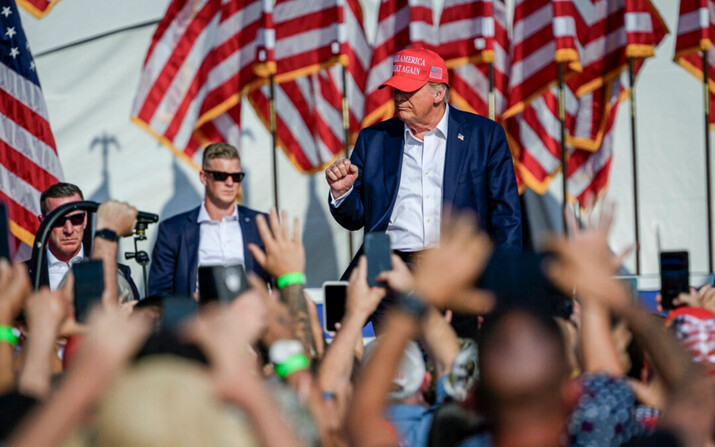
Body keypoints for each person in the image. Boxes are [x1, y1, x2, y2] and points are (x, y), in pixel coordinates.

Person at [325, 47, 521, 272]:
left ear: (438, 94)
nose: (399, 97)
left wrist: (508, 276)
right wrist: (342, 193)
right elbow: (355, 218)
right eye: (396, 89)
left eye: (408, 90)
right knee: (347, 305)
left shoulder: (484, 136)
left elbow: (506, 214)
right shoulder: (375, 140)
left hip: (459, 270)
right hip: (388, 269)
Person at [148, 143, 270, 297]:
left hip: (252, 316)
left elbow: (281, 281)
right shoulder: (173, 230)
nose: (230, 183)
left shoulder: (262, 224)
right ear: (204, 177)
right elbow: (159, 293)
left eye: (237, 176)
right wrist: (189, 304)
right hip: (197, 317)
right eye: (221, 176)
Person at [26, 183, 139, 300]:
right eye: (58, 220)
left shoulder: (119, 273)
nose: (69, 230)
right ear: (43, 222)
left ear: (85, 220)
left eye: (76, 219)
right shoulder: (21, 278)